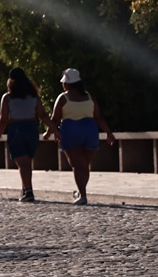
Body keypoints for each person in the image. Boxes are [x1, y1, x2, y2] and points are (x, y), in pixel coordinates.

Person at [45, 68, 116, 205]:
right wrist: (108, 132)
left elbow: (55, 119)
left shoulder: (63, 98)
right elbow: (98, 117)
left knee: (77, 165)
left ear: (66, 84)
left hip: (71, 130)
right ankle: (81, 191)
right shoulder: (89, 97)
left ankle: (82, 195)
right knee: (85, 165)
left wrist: (49, 132)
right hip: (90, 130)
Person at [0, 68, 56, 203]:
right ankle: (25, 188)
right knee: (27, 162)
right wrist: (55, 130)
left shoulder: (7, 98)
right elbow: (42, 115)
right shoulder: (33, 97)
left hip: (16, 129)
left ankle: (29, 191)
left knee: (23, 163)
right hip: (31, 128)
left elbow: (3, 118)